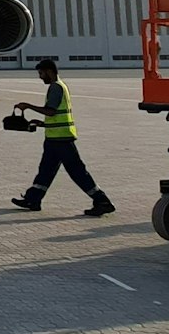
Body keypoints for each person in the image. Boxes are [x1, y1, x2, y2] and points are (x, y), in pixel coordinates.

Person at [11, 59, 115, 217]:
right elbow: (57, 116)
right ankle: (33, 199)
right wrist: (43, 124)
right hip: (54, 138)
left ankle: (102, 201)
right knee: (45, 171)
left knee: (77, 172)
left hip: (62, 140)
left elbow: (51, 111)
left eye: (41, 73)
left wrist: (28, 106)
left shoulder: (56, 88)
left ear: (49, 71)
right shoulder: (60, 86)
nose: (40, 77)